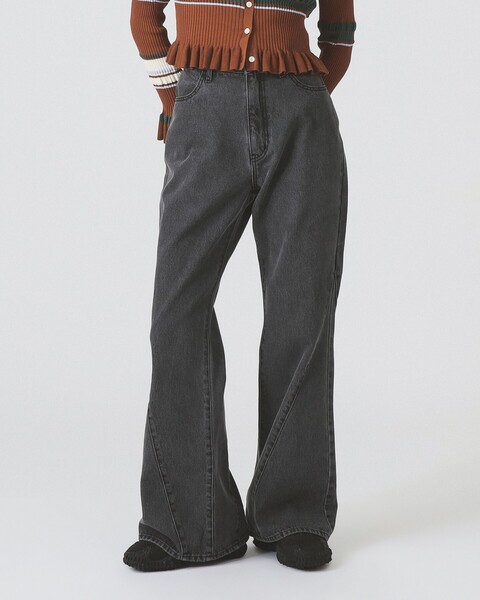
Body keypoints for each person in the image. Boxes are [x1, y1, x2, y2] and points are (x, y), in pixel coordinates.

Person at [124, 0, 356, 571]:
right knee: (177, 311)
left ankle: (294, 515)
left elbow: (339, 32)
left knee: (300, 312)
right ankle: (188, 523)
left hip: (300, 114)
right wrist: (180, 100)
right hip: (203, 107)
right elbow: (145, 16)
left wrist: (300, 93)